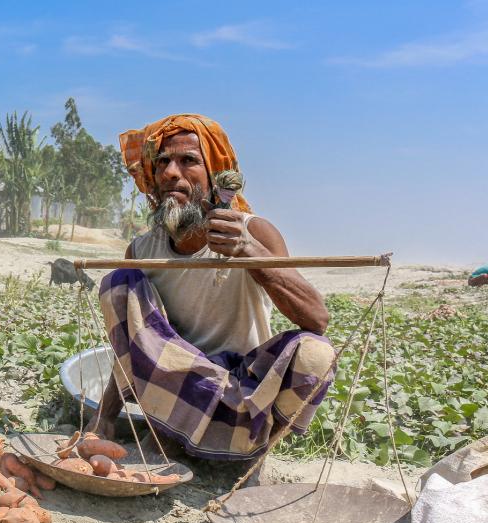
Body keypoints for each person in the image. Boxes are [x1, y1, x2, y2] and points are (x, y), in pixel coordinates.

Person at [86, 114, 336, 466]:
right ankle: (170, 435)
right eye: (162, 163)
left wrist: (249, 252)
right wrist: (106, 416)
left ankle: (252, 454)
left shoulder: (255, 233)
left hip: (239, 394)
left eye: (188, 161)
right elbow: (130, 343)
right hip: (172, 392)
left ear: (215, 175)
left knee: (316, 354)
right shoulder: (142, 251)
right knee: (119, 283)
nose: (171, 173)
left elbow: (317, 319)